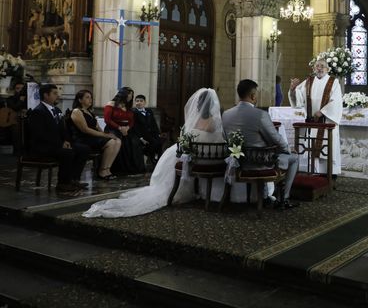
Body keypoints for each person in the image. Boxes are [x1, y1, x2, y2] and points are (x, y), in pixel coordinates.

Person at [83, 88, 226, 218]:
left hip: (193, 157)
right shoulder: (214, 122)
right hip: (210, 158)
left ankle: (171, 187)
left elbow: (187, 138)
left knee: (171, 155)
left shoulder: (194, 120)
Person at [223, 79, 299, 209]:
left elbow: (226, 138)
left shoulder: (226, 114)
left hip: (239, 162)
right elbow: (275, 138)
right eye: (256, 94)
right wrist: (287, 149)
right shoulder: (260, 115)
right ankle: (283, 199)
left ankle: (265, 197)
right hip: (261, 162)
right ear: (253, 96)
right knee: (294, 158)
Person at [28, 83, 90, 194]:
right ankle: (63, 183)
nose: (58, 96)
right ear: (46, 95)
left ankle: (74, 179)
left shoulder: (56, 110)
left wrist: (66, 140)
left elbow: (63, 130)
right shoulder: (38, 112)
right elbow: (40, 134)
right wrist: (60, 143)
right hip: (43, 146)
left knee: (83, 149)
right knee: (67, 153)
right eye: (55, 93)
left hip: (57, 144)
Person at [288, 58, 343, 177]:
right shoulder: (308, 81)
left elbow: (337, 101)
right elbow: (298, 99)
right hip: (312, 123)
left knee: (327, 149)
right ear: (313, 69)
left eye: (322, 66)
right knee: (312, 149)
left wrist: (323, 111)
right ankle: (314, 173)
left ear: (327, 69)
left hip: (326, 122)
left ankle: (329, 175)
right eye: (317, 66)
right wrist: (292, 89)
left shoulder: (333, 82)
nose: (320, 68)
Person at [69, 90, 121, 181]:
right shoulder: (77, 111)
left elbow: (97, 127)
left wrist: (107, 134)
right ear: (80, 100)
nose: (90, 100)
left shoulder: (89, 111)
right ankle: (102, 170)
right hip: (83, 139)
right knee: (111, 142)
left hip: (92, 138)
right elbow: (85, 129)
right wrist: (104, 136)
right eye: (87, 97)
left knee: (117, 140)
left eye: (91, 98)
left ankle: (107, 169)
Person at [104, 88, 145, 174]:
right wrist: (119, 128)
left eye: (131, 96)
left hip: (126, 129)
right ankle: (116, 169)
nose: (130, 97)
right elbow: (107, 120)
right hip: (113, 128)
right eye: (128, 95)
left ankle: (132, 169)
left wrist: (127, 128)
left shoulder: (127, 106)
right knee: (120, 141)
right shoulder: (111, 104)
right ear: (122, 94)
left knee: (135, 141)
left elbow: (132, 121)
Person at [131, 94, 164, 165]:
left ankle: (158, 160)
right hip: (143, 134)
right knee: (154, 143)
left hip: (152, 133)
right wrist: (141, 138)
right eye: (137, 101)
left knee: (160, 141)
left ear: (145, 102)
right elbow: (134, 127)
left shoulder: (149, 111)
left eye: (141, 101)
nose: (139, 103)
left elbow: (153, 123)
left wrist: (158, 133)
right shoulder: (133, 112)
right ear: (135, 102)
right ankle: (150, 156)